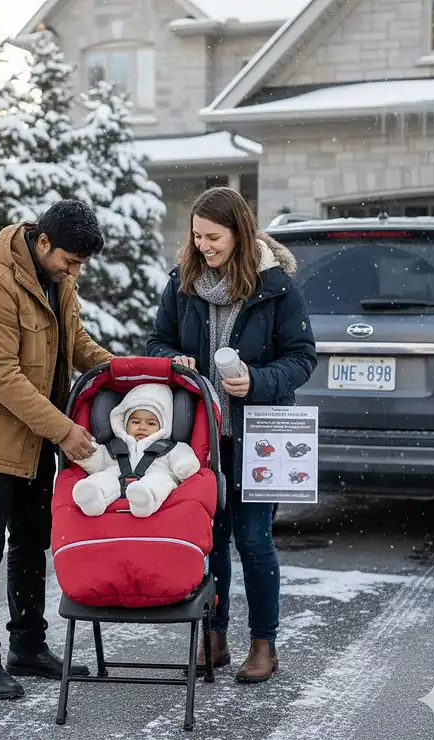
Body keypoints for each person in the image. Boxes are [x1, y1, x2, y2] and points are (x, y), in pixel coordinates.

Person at [0, 200, 114, 700]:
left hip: (35, 436)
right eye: (70, 261)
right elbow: (1, 376)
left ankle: (28, 646)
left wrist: (123, 372)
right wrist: (63, 430)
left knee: (31, 542)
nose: (75, 271)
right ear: (42, 243)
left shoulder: (58, 278)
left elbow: (74, 343)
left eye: (80, 265)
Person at [145, 187, 317, 683]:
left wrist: (258, 381)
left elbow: (303, 357)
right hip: (202, 435)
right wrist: (172, 361)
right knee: (209, 540)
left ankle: (264, 644)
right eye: (197, 236)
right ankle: (213, 638)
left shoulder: (277, 286)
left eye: (213, 237)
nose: (203, 246)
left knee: (254, 539)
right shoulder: (183, 280)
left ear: (240, 234)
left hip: (261, 431)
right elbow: (159, 340)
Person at [72, 383, 201, 517]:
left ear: (163, 426)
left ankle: (145, 500)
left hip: (155, 481)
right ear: (124, 423)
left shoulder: (170, 448)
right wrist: (86, 453)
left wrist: (185, 465)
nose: (142, 427)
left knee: (161, 480)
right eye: (135, 422)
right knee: (102, 478)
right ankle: (93, 499)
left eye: (151, 423)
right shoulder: (113, 446)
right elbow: (98, 461)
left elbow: (182, 456)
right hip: (115, 479)